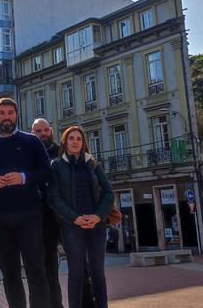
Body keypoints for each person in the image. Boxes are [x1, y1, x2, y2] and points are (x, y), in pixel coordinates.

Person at [0, 98, 52, 308]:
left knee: (36, 269)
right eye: (2, 113)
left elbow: (47, 172)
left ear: (16, 115)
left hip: (30, 214)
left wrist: (24, 177)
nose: (6, 116)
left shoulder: (32, 142)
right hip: (0, 218)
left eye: (10, 112)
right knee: (9, 273)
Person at [48, 126, 114, 308]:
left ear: (83, 143)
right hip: (71, 227)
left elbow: (109, 192)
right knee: (76, 274)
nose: (75, 142)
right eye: (71, 138)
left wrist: (98, 216)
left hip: (96, 226)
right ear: (64, 142)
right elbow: (53, 198)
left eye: (79, 139)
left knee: (98, 273)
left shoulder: (93, 164)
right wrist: (74, 218)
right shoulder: (56, 166)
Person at [31, 118, 64, 308]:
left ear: (51, 130)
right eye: (38, 131)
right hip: (42, 218)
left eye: (45, 130)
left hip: (65, 215)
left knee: (81, 266)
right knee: (48, 267)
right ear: (33, 133)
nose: (43, 134)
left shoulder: (62, 152)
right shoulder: (30, 156)